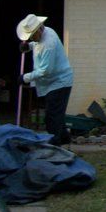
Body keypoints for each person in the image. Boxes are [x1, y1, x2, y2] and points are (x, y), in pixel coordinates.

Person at [17, 13, 74, 146]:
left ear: (38, 29)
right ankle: (65, 139)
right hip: (53, 82)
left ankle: (55, 147)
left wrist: (25, 77)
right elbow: (37, 44)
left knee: (52, 118)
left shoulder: (49, 44)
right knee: (57, 115)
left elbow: (45, 71)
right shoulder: (47, 31)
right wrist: (29, 46)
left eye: (32, 36)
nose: (31, 38)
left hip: (59, 83)